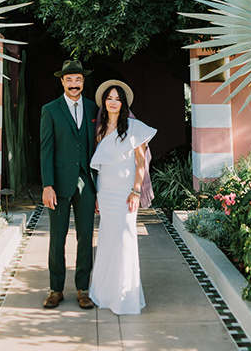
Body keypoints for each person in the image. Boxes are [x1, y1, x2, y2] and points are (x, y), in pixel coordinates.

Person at [89, 80, 156, 315]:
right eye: (110, 98)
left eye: (118, 98)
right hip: (105, 191)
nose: (113, 102)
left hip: (126, 192)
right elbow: (100, 166)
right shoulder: (99, 128)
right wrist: (97, 195)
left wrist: (136, 190)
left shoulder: (135, 127)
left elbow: (140, 162)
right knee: (107, 240)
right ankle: (105, 293)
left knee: (126, 240)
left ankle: (126, 297)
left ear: (123, 103)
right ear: (104, 103)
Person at [40, 59, 98, 310]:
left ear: (83, 82)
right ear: (62, 81)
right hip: (59, 183)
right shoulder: (50, 110)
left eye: (78, 80)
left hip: (87, 182)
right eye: (69, 80)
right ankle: (55, 289)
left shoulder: (94, 108)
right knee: (57, 237)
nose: (74, 84)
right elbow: (46, 150)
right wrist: (47, 185)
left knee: (86, 236)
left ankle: (83, 289)